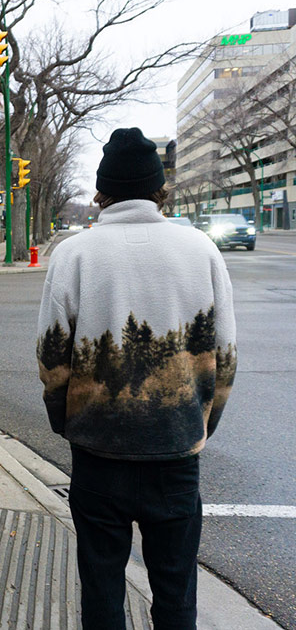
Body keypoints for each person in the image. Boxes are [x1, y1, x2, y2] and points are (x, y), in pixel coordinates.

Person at [36, 128, 237, 629]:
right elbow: (225, 357)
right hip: (175, 450)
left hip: (98, 452)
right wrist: (199, 424)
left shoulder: (74, 254)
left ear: (102, 190)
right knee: (176, 590)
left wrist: (67, 421)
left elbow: (52, 359)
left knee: (102, 587)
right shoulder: (201, 249)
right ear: (158, 187)